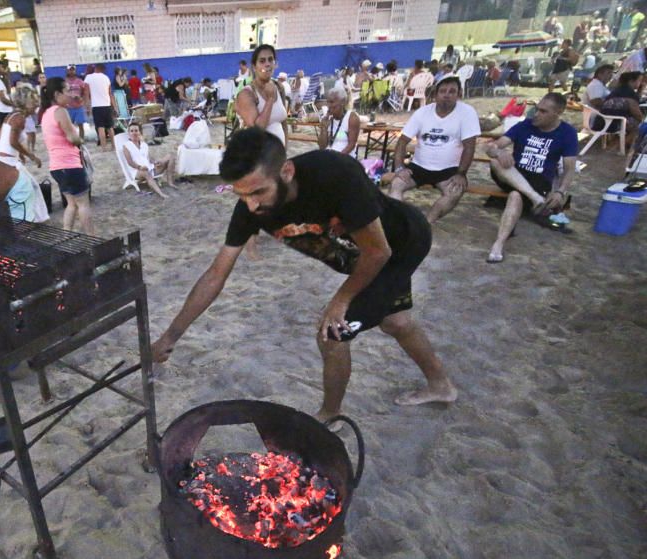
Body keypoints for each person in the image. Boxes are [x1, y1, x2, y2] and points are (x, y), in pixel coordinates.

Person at [150, 128, 457, 424]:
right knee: (395, 320)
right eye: (242, 195)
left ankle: (329, 415)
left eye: (258, 191)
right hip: (369, 257)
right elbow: (216, 274)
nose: (252, 205)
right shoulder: (250, 208)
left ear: (286, 172)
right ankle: (441, 386)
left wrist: (341, 300)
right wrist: (171, 335)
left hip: (402, 244)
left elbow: (378, 252)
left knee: (333, 334)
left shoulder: (334, 174)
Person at [483, 93, 578, 263]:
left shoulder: (567, 133)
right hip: (512, 174)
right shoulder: (525, 125)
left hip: (539, 181)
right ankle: (536, 199)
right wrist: (498, 151)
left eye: (543, 111)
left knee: (515, 196)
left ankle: (498, 244)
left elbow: (570, 168)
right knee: (496, 162)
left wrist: (561, 192)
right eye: (536, 109)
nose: (536, 114)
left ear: (558, 113)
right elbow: (491, 147)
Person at [389, 76, 480, 224]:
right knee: (396, 184)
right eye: (442, 91)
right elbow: (402, 142)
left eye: (452, 91)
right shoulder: (422, 112)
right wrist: (399, 167)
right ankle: (397, 222)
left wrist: (461, 173)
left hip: (449, 170)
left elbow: (470, 147)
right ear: (435, 94)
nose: (446, 95)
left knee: (454, 193)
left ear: (459, 94)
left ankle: (426, 224)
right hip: (419, 166)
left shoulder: (467, 112)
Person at [40, 76, 92, 234]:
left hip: (56, 167)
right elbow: (72, 138)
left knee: (71, 204)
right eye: (67, 91)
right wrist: (81, 139)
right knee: (83, 204)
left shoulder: (46, 114)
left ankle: (66, 234)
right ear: (57, 94)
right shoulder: (60, 111)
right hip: (70, 165)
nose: (70, 94)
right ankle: (92, 238)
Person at [236, 44, 289, 149]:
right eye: (262, 61)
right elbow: (257, 131)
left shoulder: (279, 87)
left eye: (270, 60)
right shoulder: (247, 93)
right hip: (256, 158)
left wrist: (284, 152)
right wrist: (270, 100)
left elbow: (283, 122)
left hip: (277, 157)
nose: (267, 64)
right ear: (254, 67)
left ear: (275, 64)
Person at [121, 121, 179, 198]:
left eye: (136, 130)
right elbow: (130, 162)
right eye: (131, 131)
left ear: (139, 132)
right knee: (145, 172)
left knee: (170, 156)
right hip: (137, 171)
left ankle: (170, 182)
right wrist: (140, 167)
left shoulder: (144, 145)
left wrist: (155, 162)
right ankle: (161, 194)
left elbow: (149, 158)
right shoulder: (126, 146)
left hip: (150, 167)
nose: (134, 133)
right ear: (129, 133)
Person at [597, 70, 645, 148]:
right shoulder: (630, 94)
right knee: (641, 126)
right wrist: (642, 119)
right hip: (613, 124)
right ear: (631, 81)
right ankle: (618, 145)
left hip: (600, 121)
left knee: (631, 122)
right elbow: (637, 114)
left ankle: (616, 142)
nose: (641, 83)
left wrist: (640, 90)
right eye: (639, 80)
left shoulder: (616, 91)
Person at [0, 89, 42, 168]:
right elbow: (13, 142)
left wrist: (20, 154)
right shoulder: (19, 118)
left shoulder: (12, 115)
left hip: (3, 157)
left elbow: (0, 135)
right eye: (34, 102)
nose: (37, 104)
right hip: (8, 159)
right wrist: (32, 156)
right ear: (24, 103)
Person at [318, 88, 360, 157]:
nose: (329, 105)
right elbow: (322, 147)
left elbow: (351, 145)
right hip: (329, 156)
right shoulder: (327, 118)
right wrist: (324, 129)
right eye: (327, 102)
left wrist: (337, 158)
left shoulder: (352, 118)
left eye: (331, 102)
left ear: (343, 102)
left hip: (345, 158)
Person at [85, 64, 117, 151]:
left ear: (95, 68)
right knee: (110, 127)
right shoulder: (106, 78)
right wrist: (115, 107)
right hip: (107, 105)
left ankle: (104, 147)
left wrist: (88, 107)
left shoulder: (88, 77)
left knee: (100, 127)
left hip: (96, 106)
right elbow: (110, 93)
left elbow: (86, 94)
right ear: (103, 70)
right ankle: (114, 146)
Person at [63, 64, 90, 140]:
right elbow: (62, 93)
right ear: (67, 71)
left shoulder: (80, 81)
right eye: (70, 70)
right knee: (69, 126)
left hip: (78, 107)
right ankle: (71, 140)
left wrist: (81, 99)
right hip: (68, 107)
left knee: (81, 125)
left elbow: (85, 93)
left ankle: (81, 140)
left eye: (73, 70)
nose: (71, 71)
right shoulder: (64, 82)